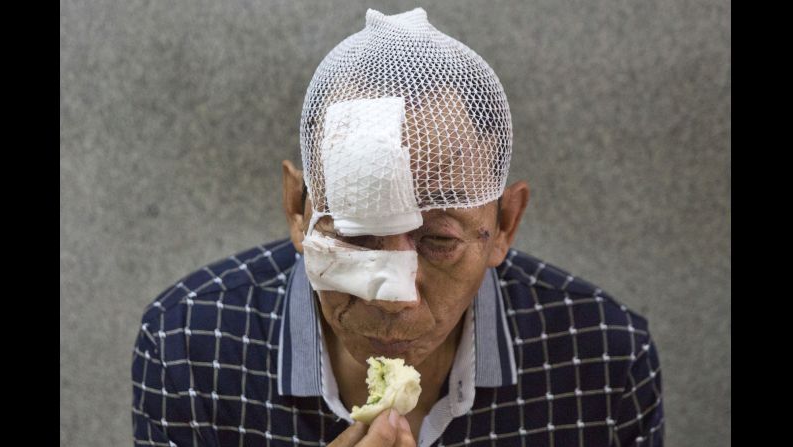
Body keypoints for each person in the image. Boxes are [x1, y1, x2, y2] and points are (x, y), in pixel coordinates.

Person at [132, 8, 663, 447]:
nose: (393, 297)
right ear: (298, 210)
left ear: (503, 225)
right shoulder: (186, 347)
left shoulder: (606, 360)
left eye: (438, 241)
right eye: (355, 238)